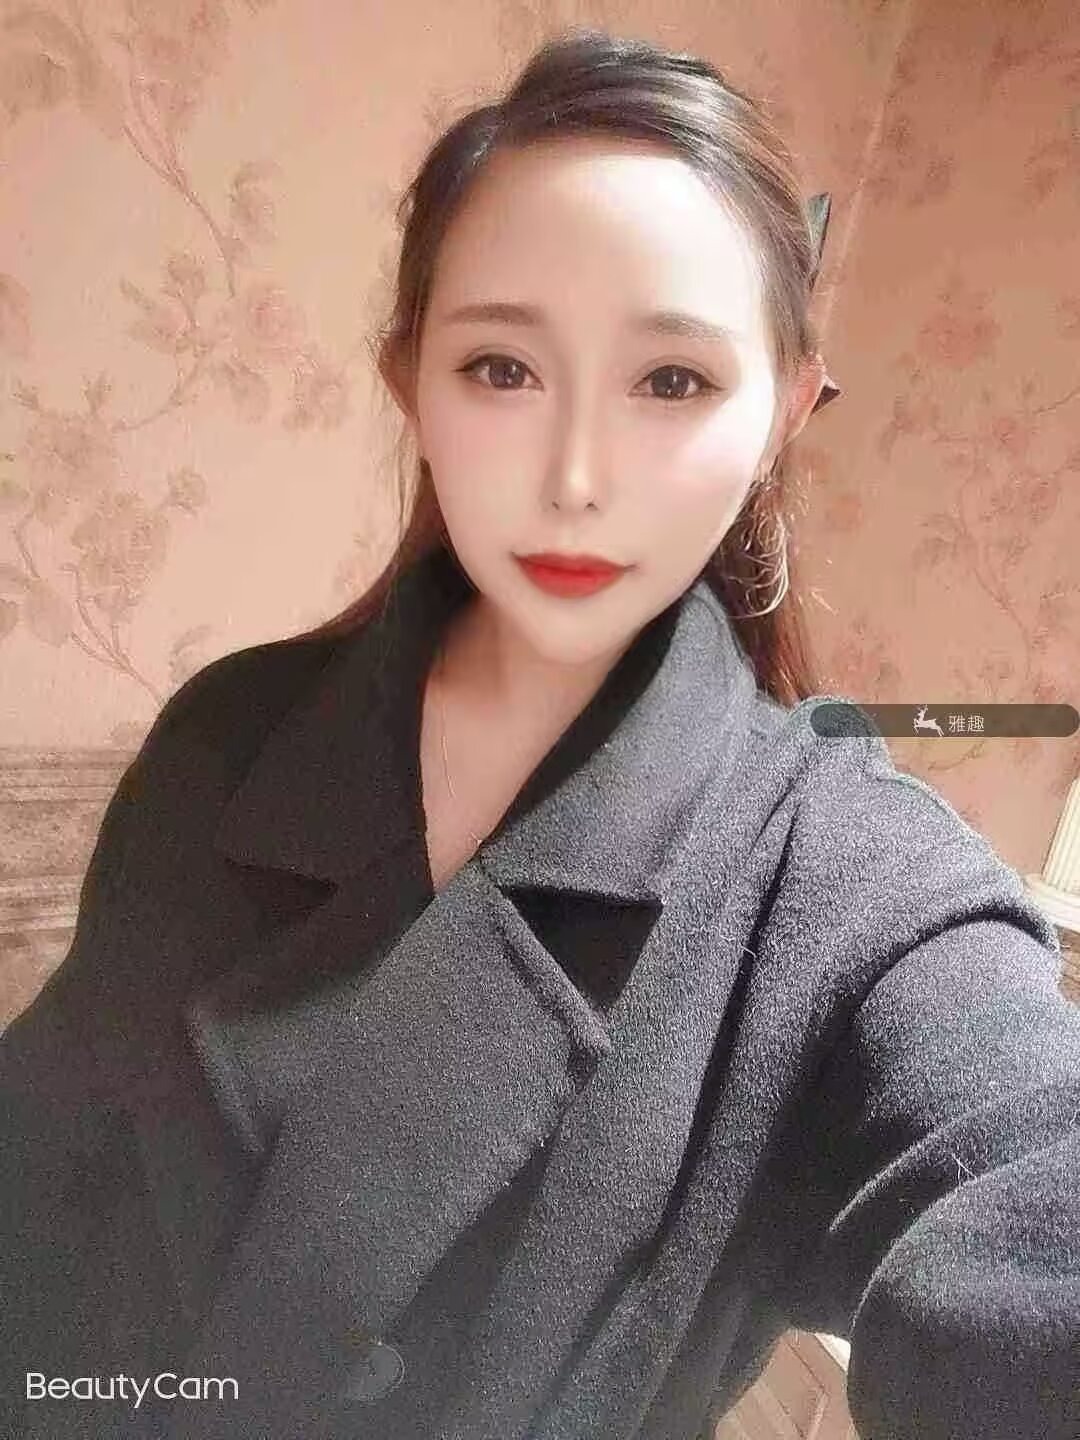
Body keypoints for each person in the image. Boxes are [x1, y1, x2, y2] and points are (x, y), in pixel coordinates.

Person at [1, 26, 1077, 1440]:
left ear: (785, 410)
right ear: (411, 381)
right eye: (502, 368)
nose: (574, 478)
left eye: (672, 381)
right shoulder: (230, 735)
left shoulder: (854, 891)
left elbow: (1026, 1210)